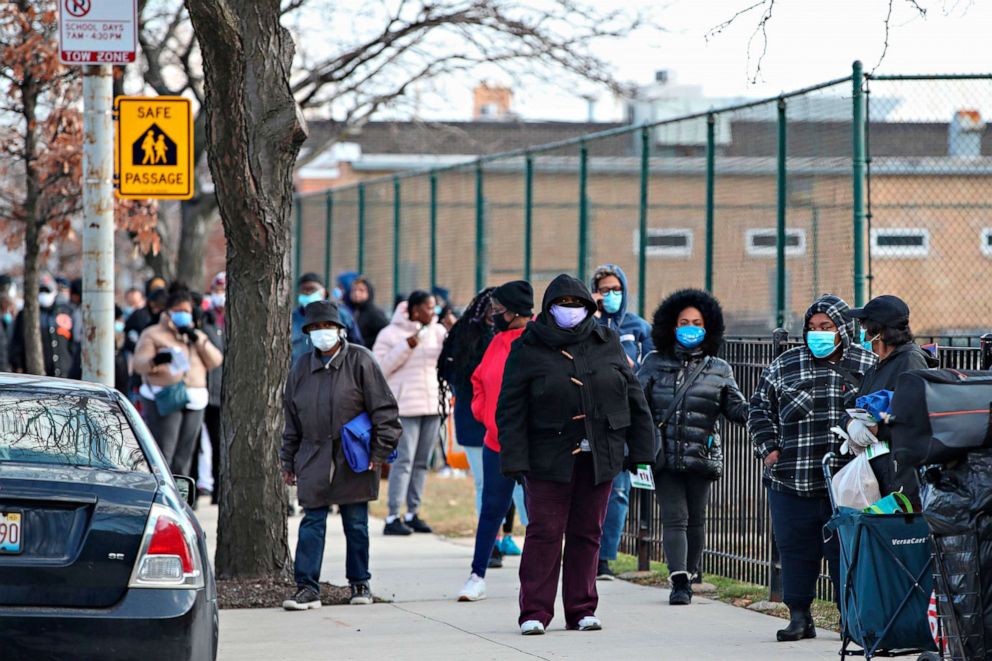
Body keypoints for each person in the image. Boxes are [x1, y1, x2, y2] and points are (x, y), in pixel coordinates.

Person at [496, 274, 654, 635]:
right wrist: (515, 459)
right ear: (549, 309)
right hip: (546, 458)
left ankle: (582, 608)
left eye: (577, 305)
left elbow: (634, 398)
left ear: (589, 307)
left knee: (588, 533)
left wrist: (642, 452)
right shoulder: (528, 346)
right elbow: (511, 407)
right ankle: (534, 611)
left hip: (599, 455)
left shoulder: (606, 340)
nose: (570, 311)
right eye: (562, 305)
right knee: (545, 533)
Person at [748, 294, 876, 642]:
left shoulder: (867, 364)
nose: (818, 333)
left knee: (844, 553)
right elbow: (758, 409)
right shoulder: (786, 364)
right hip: (791, 480)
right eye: (812, 328)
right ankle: (799, 616)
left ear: (843, 330)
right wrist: (769, 448)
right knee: (794, 549)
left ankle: (849, 619)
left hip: (847, 483)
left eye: (826, 327)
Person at [280, 301, 402, 610]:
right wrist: (288, 461)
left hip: (355, 455)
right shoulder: (301, 368)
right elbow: (291, 421)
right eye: (315, 329)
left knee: (356, 523)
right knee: (312, 523)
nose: (322, 334)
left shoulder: (361, 361)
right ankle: (307, 588)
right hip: (312, 455)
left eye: (327, 327)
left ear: (340, 330)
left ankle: (360, 582)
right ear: (307, 334)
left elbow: (384, 410)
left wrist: (380, 451)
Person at [637, 289, 748, 605]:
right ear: (672, 326)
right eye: (684, 321)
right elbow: (637, 402)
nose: (690, 327)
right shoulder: (654, 363)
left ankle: (692, 569)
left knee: (697, 518)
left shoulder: (719, 368)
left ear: (707, 326)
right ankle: (679, 581)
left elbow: (734, 406)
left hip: (700, 454)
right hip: (663, 456)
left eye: (696, 322)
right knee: (675, 517)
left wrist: (757, 412)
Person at [457, 280, 534, 602]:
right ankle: (477, 575)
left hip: (533, 443)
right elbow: (479, 380)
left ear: (516, 311)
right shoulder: (497, 341)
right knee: (492, 508)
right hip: (496, 441)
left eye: (499, 310)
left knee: (537, 512)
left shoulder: (537, 340)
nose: (495, 316)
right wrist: (483, 413)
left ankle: (535, 580)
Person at [588, 263, 655, 581]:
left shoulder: (638, 327)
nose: (611, 295)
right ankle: (582, 551)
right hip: (590, 418)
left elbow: (646, 369)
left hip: (624, 421)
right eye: (604, 290)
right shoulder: (585, 325)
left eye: (616, 289)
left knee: (617, 492)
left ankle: (604, 557)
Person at [843, 295, 937, 506]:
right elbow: (850, 406)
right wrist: (850, 425)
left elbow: (916, 420)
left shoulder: (910, 362)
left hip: (901, 481)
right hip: (877, 475)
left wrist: (876, 430)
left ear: (880, 331)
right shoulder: (876, 368)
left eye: (866, 328)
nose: (863, 335)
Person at [373, 290, 447, 536]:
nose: (432, 312)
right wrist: (407, 345)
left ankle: (412, 512)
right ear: (415, 310)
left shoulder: (437, 332)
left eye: (434, 307)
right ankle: (393, 514)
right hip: (405, 407)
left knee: (421, 463)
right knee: (403, 461)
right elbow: (379, 368)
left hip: (432, 406)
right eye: (428, 307)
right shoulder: (390, 333)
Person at [133, 285, 223, 476]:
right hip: (166, 396)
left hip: (194, 398)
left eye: (186, 311)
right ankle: (163, 495)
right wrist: (156, 361)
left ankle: (181, 498)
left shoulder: (196, 335)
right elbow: (139, 364)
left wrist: (197, 339)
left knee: (185, 454)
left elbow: (216, 360)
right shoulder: (153, 333)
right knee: (165, 450)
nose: (183, 315)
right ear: (168, 312)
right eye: (178, 311)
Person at [437, 287, 496, 516]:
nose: (495, 313)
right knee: (484, 482)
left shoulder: (508, 335)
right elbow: (453, 373)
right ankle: (490, 536)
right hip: (473, 417)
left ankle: (505, 534)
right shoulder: (465, 334)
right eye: (490, 308)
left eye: (499, 309)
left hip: (500, 420)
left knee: (506, 483)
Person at [10, 274, 75, 378]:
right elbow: (17, 342)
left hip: (64, 373)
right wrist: (18, 365)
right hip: (36, 375)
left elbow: (73, 343)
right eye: (41, 291)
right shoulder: (26, 314)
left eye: (47, 291)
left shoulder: (66, 312)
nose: (44, 294)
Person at [292, 273, 362, 360]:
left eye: (312, 289)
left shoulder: (342, 314)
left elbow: (356, 344)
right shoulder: (292, 319)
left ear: (324, 292)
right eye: (304, 290)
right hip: (301, 371)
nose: (308, 293)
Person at [201, 272, 226, 504]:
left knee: (219, 443)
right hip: (203, 388)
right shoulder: (206, 318)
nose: (221, 295)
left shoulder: (235, 319)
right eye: (217, 290)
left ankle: (219, 490)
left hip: (221, 392)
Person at [348, 276, 389, 348]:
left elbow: (386, 333)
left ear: (369, 292)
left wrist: (365, 343)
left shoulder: (374, 313)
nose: (357, 293)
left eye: (361, 290)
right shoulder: (351, 311)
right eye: (354, 290)